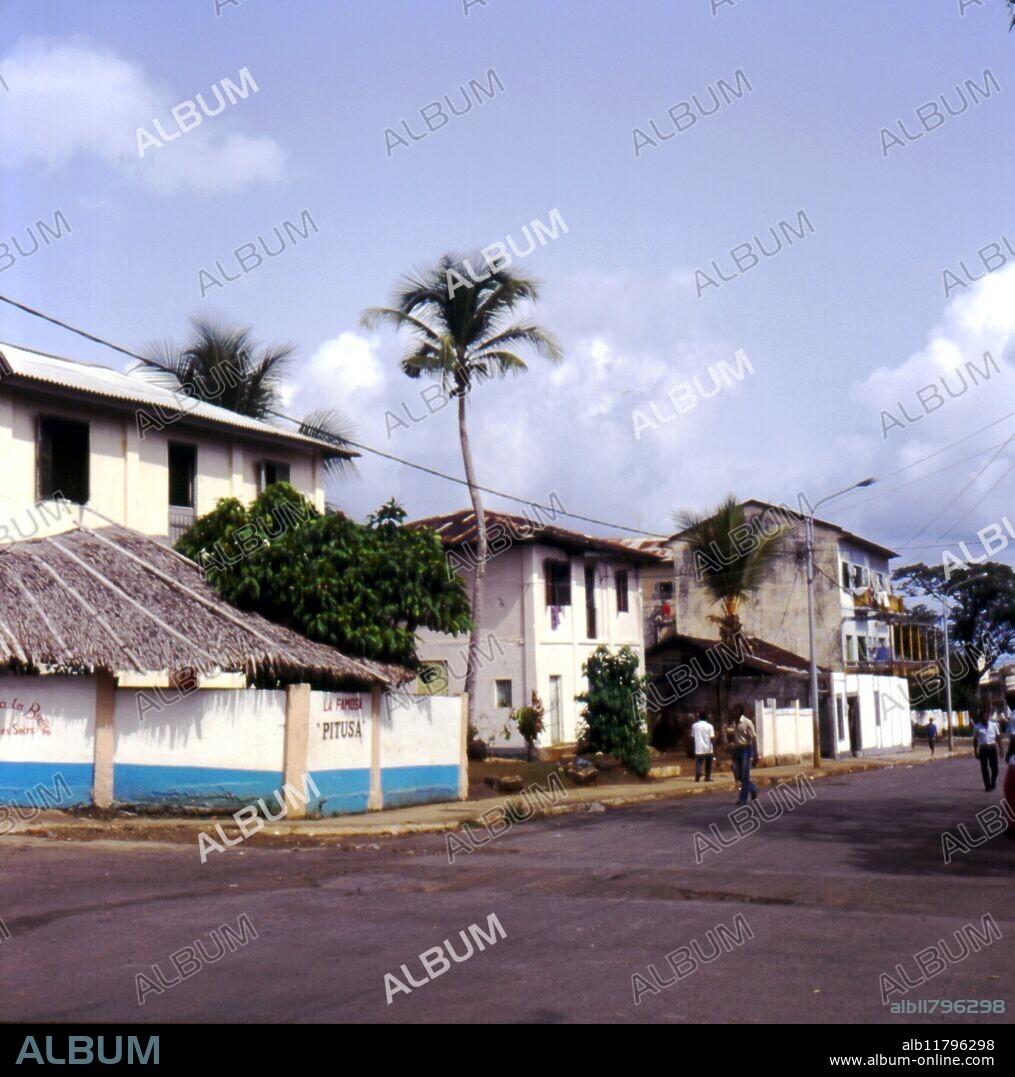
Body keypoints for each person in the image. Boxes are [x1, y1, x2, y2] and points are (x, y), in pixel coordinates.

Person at [732, 706, 759, 804]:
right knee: (738, 775)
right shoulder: (734, 722)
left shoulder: (747, 722)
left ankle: (742, 799)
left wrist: (756, 754)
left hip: (746, 749)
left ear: (740, 712)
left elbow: (754, 738)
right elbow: (735, 738)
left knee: (745, 775)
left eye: (736, 711)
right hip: (737, 749)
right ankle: (753, 789)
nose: (734, 713)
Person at [973, 712, 1001, 792]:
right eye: (982, 717)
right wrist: (975, 751)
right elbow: (975, 739)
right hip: (983, 748)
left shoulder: (994, 725)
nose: (983, 718)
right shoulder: (977, 727)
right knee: (984, 768)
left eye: (985, 717)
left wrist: (1001, 749)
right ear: (980, 718)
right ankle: (987, 786)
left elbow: (998, 736)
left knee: (995, 768)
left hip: (992, 747)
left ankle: (993, 782)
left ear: (988, 717)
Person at [690, 712, 715, 783]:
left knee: (699, 762)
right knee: (708, 763)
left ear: (699, 717)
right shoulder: (710, 726)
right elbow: (712, 738)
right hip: (708, 748)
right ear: (706, 718)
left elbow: (692, 737)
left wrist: (692, 748)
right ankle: (707, 777)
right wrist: (714, 748)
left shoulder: (694, 726)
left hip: (699, 747)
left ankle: (698, 774)